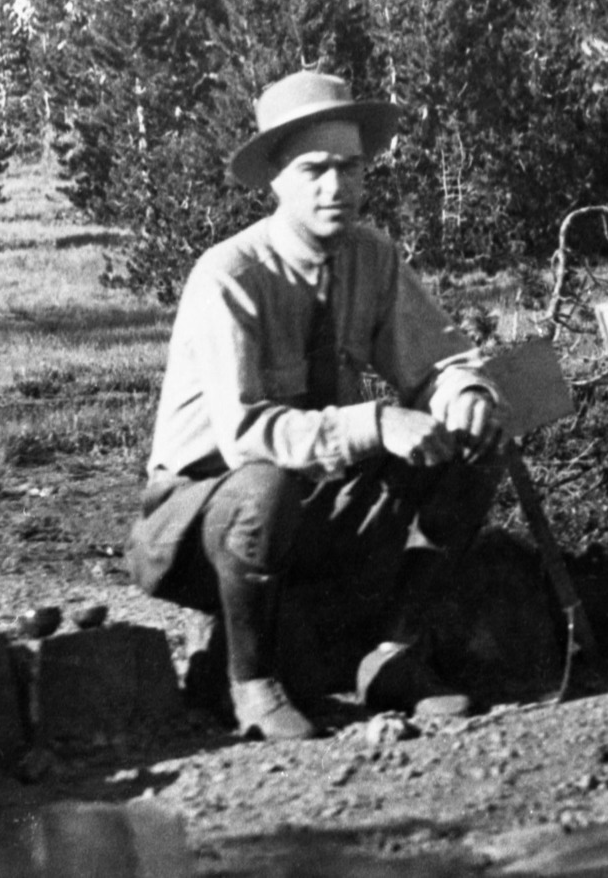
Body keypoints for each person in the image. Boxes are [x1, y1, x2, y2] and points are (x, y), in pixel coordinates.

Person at [127, 71, 505, 741]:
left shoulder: (372, 256)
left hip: (315, 505)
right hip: (196, 519)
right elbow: (244, 435)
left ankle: (391, 654)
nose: (337, 188)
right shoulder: (230, 275)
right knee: (262, 489)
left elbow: (435, 362)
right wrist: (377, 422)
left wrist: (464, 395)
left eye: (350, 169)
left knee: (470, 448)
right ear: (275, 180)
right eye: (314, 171)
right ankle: (251, 684)